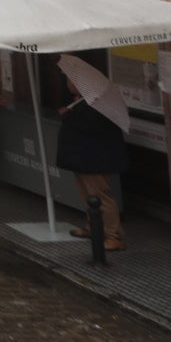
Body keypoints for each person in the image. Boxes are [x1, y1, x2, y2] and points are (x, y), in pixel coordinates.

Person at [57, 79, 128, 250]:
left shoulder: (97, 103)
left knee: (101, 196)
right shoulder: (82, 101)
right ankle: (93, 227)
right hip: (83, 159)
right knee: (88, 195)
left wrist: (67, 114)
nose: (68, 84)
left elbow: (90, 125)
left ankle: (113, 235)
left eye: (70, 80)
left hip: (95, 159)